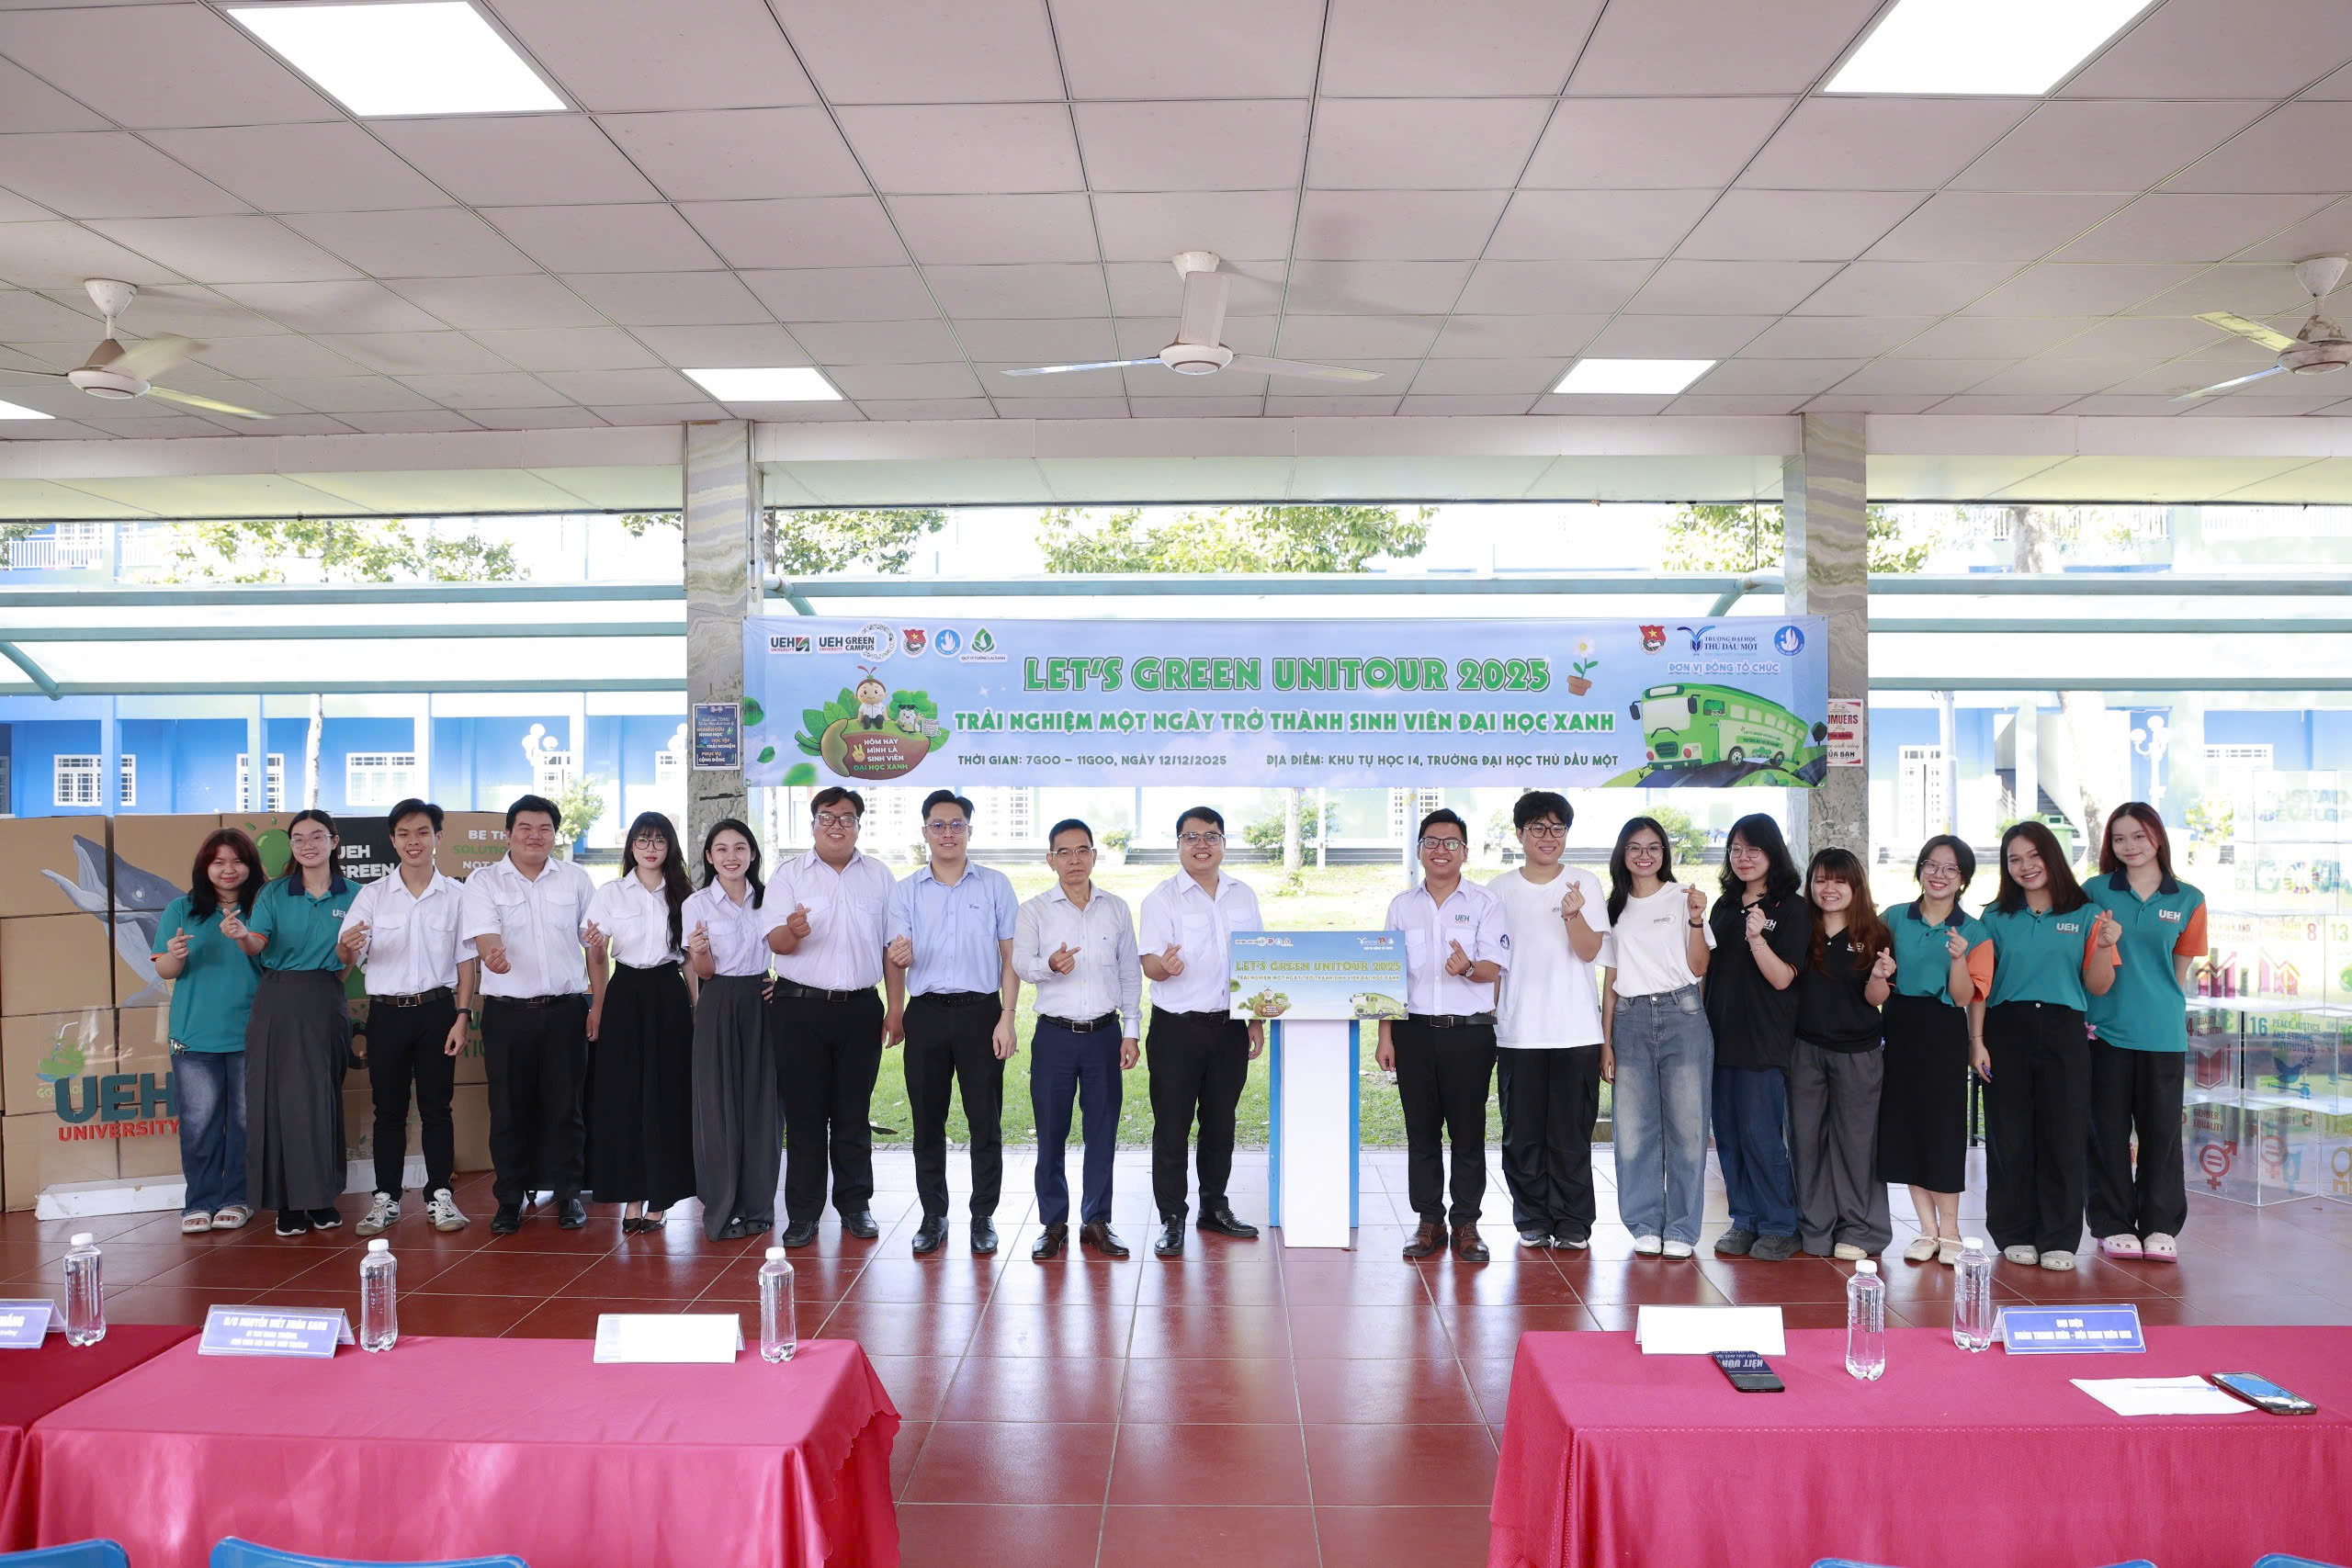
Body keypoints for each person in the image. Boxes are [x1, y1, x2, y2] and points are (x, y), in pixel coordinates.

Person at [1979, 820, 2121, 1272]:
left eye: (2034, 855)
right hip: (2006, 1028)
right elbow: (1981, 988)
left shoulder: (2088, 915)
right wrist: (1976, 1041)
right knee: (2009, 1134)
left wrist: (2104, 947)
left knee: (2064, 1133)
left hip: (2064, 1029)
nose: (2025, 866)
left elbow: (2099, 986)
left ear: (2052, 857)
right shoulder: (1994, 918)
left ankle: (2059, 1236)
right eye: (2014, 859)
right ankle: (2014, 1231)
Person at [886, 788, 1020, 1257]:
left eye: (957, 824)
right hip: (926, 1014)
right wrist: (897, 992)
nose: (948, 833)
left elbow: (1011, 957)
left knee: (985, 1121)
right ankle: (933, 1214)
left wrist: (1007, 1017)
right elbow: (895, 955)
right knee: (927, 1120)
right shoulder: (906, 890)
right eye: (939, 825)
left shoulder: (995, 885)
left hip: (981, 1014)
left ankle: (983, 1215)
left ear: (969, 830)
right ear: (925, 831)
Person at [459, 794, 597, 1235]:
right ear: (508, 834)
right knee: (508, 1109)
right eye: (525, 828)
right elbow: (485, 938)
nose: (535, 836)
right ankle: (509, 1199)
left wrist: (599, 998)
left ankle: (568, 1193)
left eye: (544, 829)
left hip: (566, 1010)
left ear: (555, 835)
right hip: (507, 1014)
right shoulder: (484, 882)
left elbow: (593, 943)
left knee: (566, 1108)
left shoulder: (576, 879)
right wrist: (493, 957)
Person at [338, 799, 476, 1237]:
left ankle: (440, 1195)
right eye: (403, 834)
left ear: (438, 838)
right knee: (388, 1111)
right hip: (387, 1014)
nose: (413, 842)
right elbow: (346, 954)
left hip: (438, 1011)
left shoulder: (457, 896)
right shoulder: (372, 896)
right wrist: (347, 945)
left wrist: (462, 1016)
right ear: (393, 840)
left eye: (422, 833)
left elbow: (466, 963)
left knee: (437, 1108)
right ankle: (386, 1198)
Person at [1378, 807, 1509, 1265]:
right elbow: (1388, 977)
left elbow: (1495, 968)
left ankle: (1467, 1223)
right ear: (1419, 850)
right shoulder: (1402, 906)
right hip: (1413, 1033)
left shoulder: (1485, 903)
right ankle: (1429, 1220)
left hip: (1468, 1035)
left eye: (1451, 843)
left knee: (1468, 1132)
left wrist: (1468, 968)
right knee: (1421, 1132)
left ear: (1464, 852)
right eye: (1431, 842)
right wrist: (1385, 1036)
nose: (1441, 850)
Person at [768, 786, 895, 1248]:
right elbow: (776, 943)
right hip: (799, 1008)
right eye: (827, 817)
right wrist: (793, 930)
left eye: (846, 818)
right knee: (804, 1116)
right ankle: (803, 1213)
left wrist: (895, 1009)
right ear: (813, 824)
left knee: (852, 1114)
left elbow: (892, 948)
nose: (836, 825)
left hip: (860, 1008)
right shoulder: (789, 875)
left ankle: (855, 1205)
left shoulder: (879, 876)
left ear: (859, 825)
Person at [1138, 805, 1265, 1258]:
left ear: (1223, 844)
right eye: (1191, 837)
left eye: (1211, 836)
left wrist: (1255, 1020)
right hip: (1177, 1029)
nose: (1201, 845)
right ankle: (1172, 1217)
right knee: (1172, 1126)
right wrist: (1164, 967)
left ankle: (1214, 1207)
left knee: (1220, 1123)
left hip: (1229, 1027)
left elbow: (1256, 961)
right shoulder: (1161, 899)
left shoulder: (1243, 895)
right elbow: (1149, 963)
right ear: (1179, 845)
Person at [2083, 803, 2205, 1264]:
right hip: (2104, 1031)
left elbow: (2178, 972)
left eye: (2139, 836)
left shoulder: (2188, 899)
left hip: (2161, 1032)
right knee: (2106, 1133)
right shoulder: (2095, 891)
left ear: (2157, 838)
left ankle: (2160, 1225)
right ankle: (2112, 1223)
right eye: (2119, 838)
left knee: (2161, 1134)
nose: (2129, 846)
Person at [228, 808, 358, 1237]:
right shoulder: (274, 893)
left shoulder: (357, 894)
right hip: (278, 998)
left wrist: (333, 974)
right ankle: (286, 1203)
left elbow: (351, 957)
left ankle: (320, 1198)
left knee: (321, 1099)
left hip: (325, 998)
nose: (308, 845)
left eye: (317, 836)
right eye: (298, 838)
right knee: (277, 1101)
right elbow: (257, 942)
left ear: (334, 841)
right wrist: (241, 936)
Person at [1014, 818, 1141, 1259]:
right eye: (1064, 852)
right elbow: (1020, 964)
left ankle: (1096, 1221)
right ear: (1050, 860)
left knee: (1102, 1130)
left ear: (1093, 855)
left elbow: (1129, 972)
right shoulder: (1034, 910)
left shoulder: (1116, 908)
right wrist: (1049, 965)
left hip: (1105, 1035)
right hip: (1055, 1036)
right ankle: (1053, 1224)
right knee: (1051, 1131)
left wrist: (1131, 1031)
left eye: (1082, 850)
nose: (1074, 860)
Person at [1489, 791, 1608, 1251]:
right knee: (1521, 1135)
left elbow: (1590, 951)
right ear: (1520, 834)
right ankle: (1532, 1218)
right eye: (1537, 827)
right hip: (1518, 1031)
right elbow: (1493, 963)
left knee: (1570, 1133)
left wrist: (1573, 915)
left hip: (1575, 1030)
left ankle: (1574, 1221)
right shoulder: (1498, 890)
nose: (1548, 836)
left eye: (1558, 828)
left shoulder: (1584, 883)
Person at [1597, 818, 1714, 1258]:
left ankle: (1682, 1229)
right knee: (1633, 1130)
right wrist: (1605, 1040)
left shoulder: (1683, 897)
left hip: (1681, 1014)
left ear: (1664, 852)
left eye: (1653, 847)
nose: (1644, 855)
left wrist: (1697, 920)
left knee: (1688, 1128)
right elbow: (1611, 979)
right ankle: (1645, 1223)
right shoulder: (1614, 907)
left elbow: (1699, 967)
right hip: (1629, 1018)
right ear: (1622, 854)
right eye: (1635, 847)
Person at [1877, 836, 1996, 1266]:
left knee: (1943, 1129)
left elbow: (1965, 997)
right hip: (1898, 1026)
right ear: (1920, 869)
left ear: (1963, 878)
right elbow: (1875, 975)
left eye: (1950, 868)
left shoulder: (1975, 930)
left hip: (1943, 1028)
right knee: (1907, 1128)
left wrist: (1959, 959)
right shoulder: (1893, 918)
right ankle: (1926, 1230)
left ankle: (1951, 1230)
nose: (1938, 875)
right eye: (1931, 864)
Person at [583, 812, 697, 1235]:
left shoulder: (685, 894)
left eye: (659, 841)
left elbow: (690, 961)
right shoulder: (611, 893)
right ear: (631, 846)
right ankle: (631, 1195)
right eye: (643, 841)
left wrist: (696, 1008)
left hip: (668, 993)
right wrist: (597, 1003)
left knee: (667, 1094)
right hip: (625, 993)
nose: (651, 849)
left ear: (670, 847)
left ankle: (660, 1197)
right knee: (625, 1095)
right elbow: (597, 956)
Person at [1705, 814, 1810, 1262]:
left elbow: (1784, 978)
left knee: (1760, 1134)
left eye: (1754, 849)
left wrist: (1757, 938)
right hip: (1719, 1036)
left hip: (1763, 1039)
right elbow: (1708, 971)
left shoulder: (1792, 908)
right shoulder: (1724, 905)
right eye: (1735, 849)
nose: (1743, 858)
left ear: (1773, 854)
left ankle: (1780, 1225)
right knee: (1728, 1135)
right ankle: (1744, 1219)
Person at [152, 828, 265, 1235]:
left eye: (237, 861)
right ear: (205, 867)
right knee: (199, 1123)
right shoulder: (181, 909)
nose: (228, 870)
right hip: (194, 1036)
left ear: (250, 866)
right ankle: (199, 1201)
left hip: (251, 1033)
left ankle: (237, 1197)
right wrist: (175, 955)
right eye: (219, 862)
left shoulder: (264, 906)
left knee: (245, 1124)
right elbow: (165, 969)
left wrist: (245, 937)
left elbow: (275, 962)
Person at [1789, 848, 1895, 1261]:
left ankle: (1861, 1230)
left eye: (1838, 881)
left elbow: (1875, 999)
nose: (1828, 889)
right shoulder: (1802, 927)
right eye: (1820, 880)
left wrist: (1879, 976)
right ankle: (1816, 1228)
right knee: (1807, 1141)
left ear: (1855, 886)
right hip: (1805, 1050)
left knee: (1856, 1143)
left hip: (1858, 1054)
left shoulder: (1876, 933)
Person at [686, 818, 779, 1242]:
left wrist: (780, 982)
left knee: (762, 1105)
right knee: (718, 1105)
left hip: (761, 1000)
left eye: (740, 848)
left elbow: (787, 949)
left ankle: (759, 1207)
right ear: (709, 857)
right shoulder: (697, 904)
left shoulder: (770, 899)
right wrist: (700, 952)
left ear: (752, 854)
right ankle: (724, 1209)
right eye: (721, 849)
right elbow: (704, 972)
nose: (731, 856)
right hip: (719, 1000)